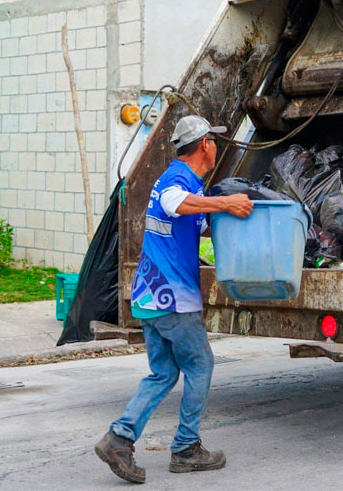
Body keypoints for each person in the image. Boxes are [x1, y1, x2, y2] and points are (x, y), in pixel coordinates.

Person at [95, 115, 253, 484]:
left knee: (164, 372)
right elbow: (175, 203)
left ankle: (118, 438)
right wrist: (226, 202)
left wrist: (234, 217)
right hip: (172, 298)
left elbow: (195, 223)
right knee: (200, 366)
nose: (215, 146)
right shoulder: (176, 180)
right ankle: (185, 449)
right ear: (204, 145)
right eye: (213, 141)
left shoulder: (184, 181)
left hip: (150, 296)